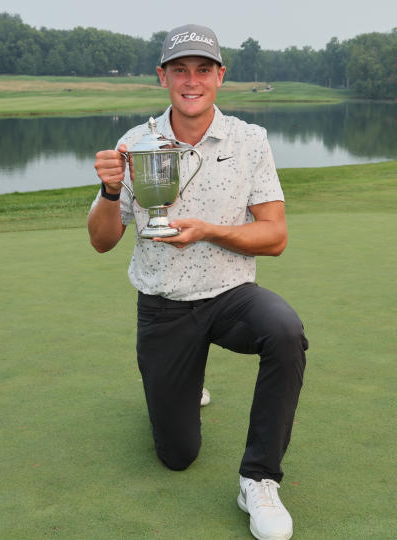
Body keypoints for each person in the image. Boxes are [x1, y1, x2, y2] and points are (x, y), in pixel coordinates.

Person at [88, 24, 307, 540]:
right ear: (162, 76)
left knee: (284, 330)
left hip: (232, 296)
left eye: (203, 70)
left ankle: (258, 480)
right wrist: (106, 189)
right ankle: (181, 386)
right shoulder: (133, 145)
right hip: (164, 305)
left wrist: (208, 230)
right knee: (177, 456)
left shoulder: (249, 140)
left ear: (220, 76)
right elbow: (101, 241)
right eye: (180, 70)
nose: (192, 81)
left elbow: (275, 237)